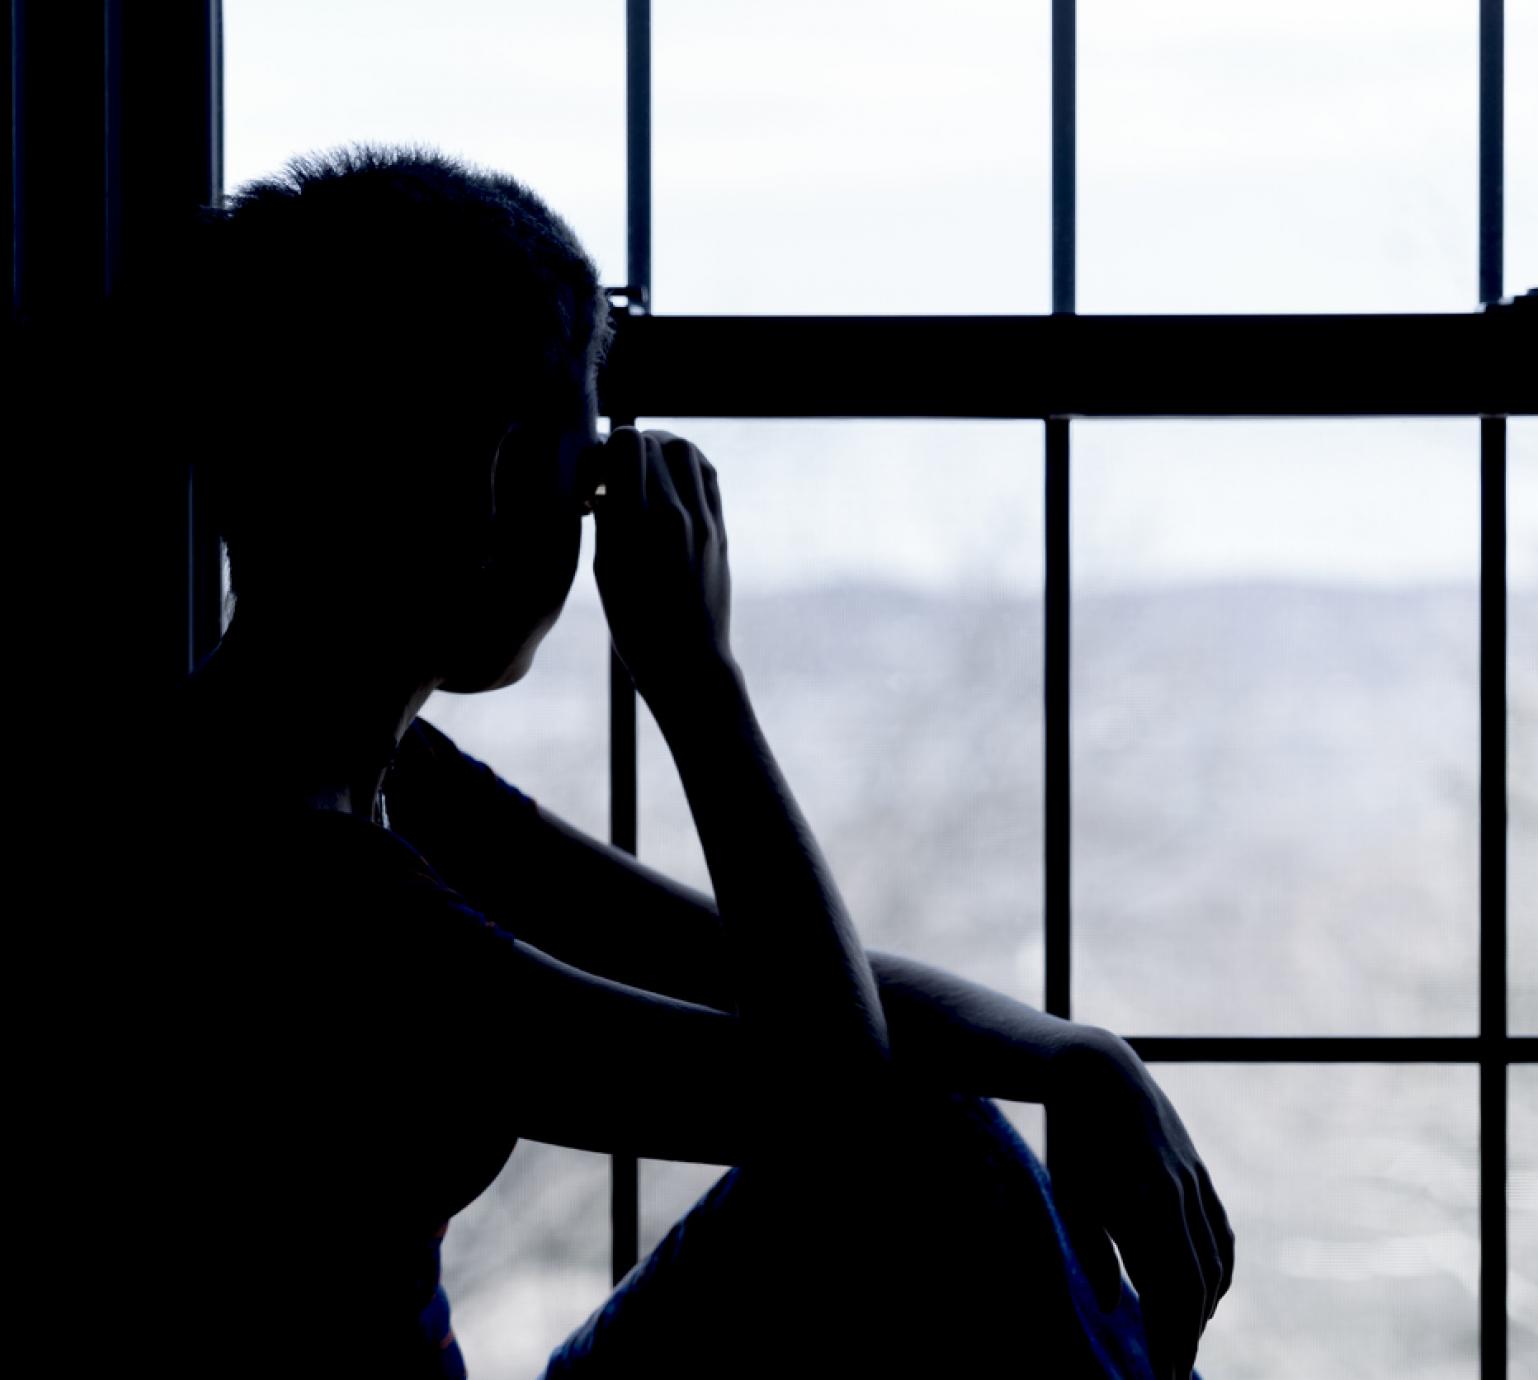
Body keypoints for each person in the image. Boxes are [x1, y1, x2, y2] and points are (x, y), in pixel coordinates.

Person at [133, 143, 1232, 1378]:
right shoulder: (301, 884)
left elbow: (725, 960)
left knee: (944, 1132)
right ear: (497, 474)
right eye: (584, 467)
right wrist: (697, 682)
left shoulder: (345, 776)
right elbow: (829, 1101)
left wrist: (1071, 1057)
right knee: (923, 1146)